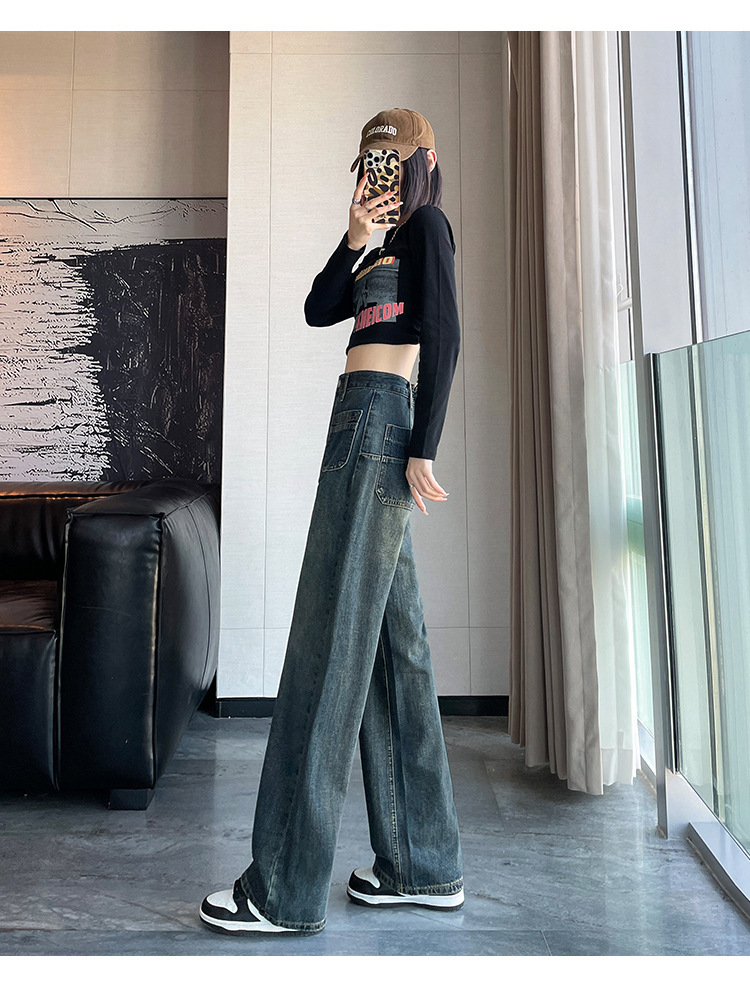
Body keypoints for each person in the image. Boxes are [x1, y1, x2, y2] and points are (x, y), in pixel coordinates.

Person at [200, 108, 464, 935]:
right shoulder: (381, 240)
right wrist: (353, 237)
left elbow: (446, 334)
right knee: (391, 653)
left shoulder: (428, 227)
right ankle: (421, 863)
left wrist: (423, 446)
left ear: (425, 161)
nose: (383, 174)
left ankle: (281, 887)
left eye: (394, 161)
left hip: (381, 424)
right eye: (371, 163)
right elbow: (320, 309)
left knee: (326, 648)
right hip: (359, 418)